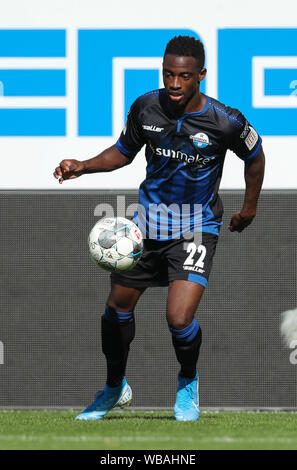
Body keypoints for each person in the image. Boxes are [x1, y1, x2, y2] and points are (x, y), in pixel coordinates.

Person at [54, 35, 265, 421]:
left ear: (200, 75)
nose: (174, 83)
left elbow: (255, 154)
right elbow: (122, 151)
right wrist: (82, 165)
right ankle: (115, 387)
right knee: (116, 308)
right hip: (146, 225)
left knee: (179, 317)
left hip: (197, 227)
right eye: (168, 74)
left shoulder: (225, 120)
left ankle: (187, 383)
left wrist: (249, 208)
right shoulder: (146, 106)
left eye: (183, 76)